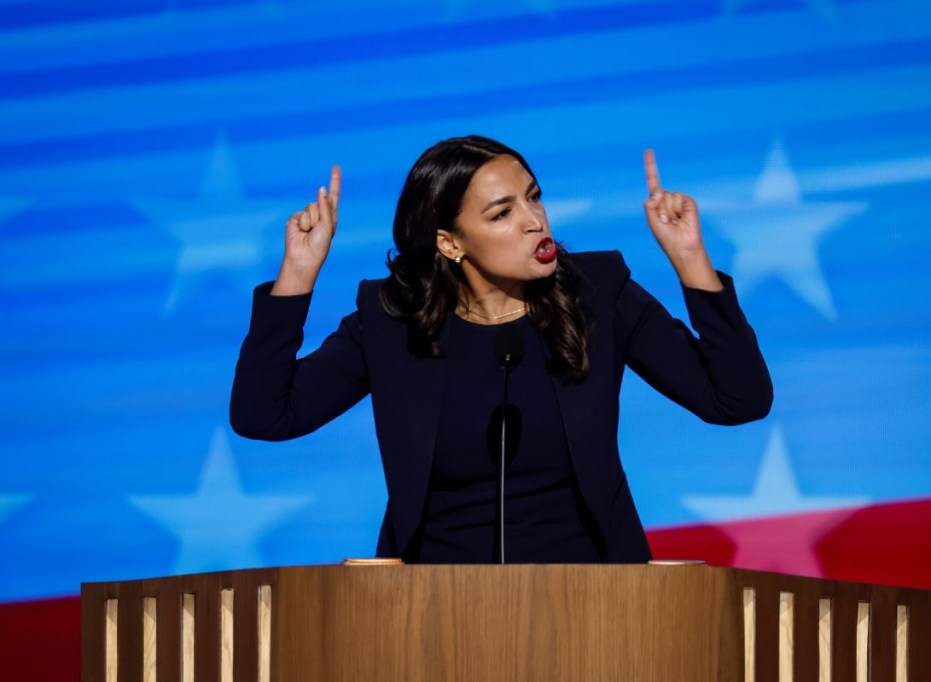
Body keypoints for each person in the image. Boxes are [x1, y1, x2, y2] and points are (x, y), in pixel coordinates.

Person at [230, 135, 772, 564]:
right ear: (450, 242)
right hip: (431, 621)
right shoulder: (394, 322)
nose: (534, 220)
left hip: (599, 614)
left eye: (533, 197)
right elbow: (265, 416)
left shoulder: (598, 294)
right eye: (502, 212)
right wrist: (297, 274)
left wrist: (692, 260)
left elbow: (737, 399)